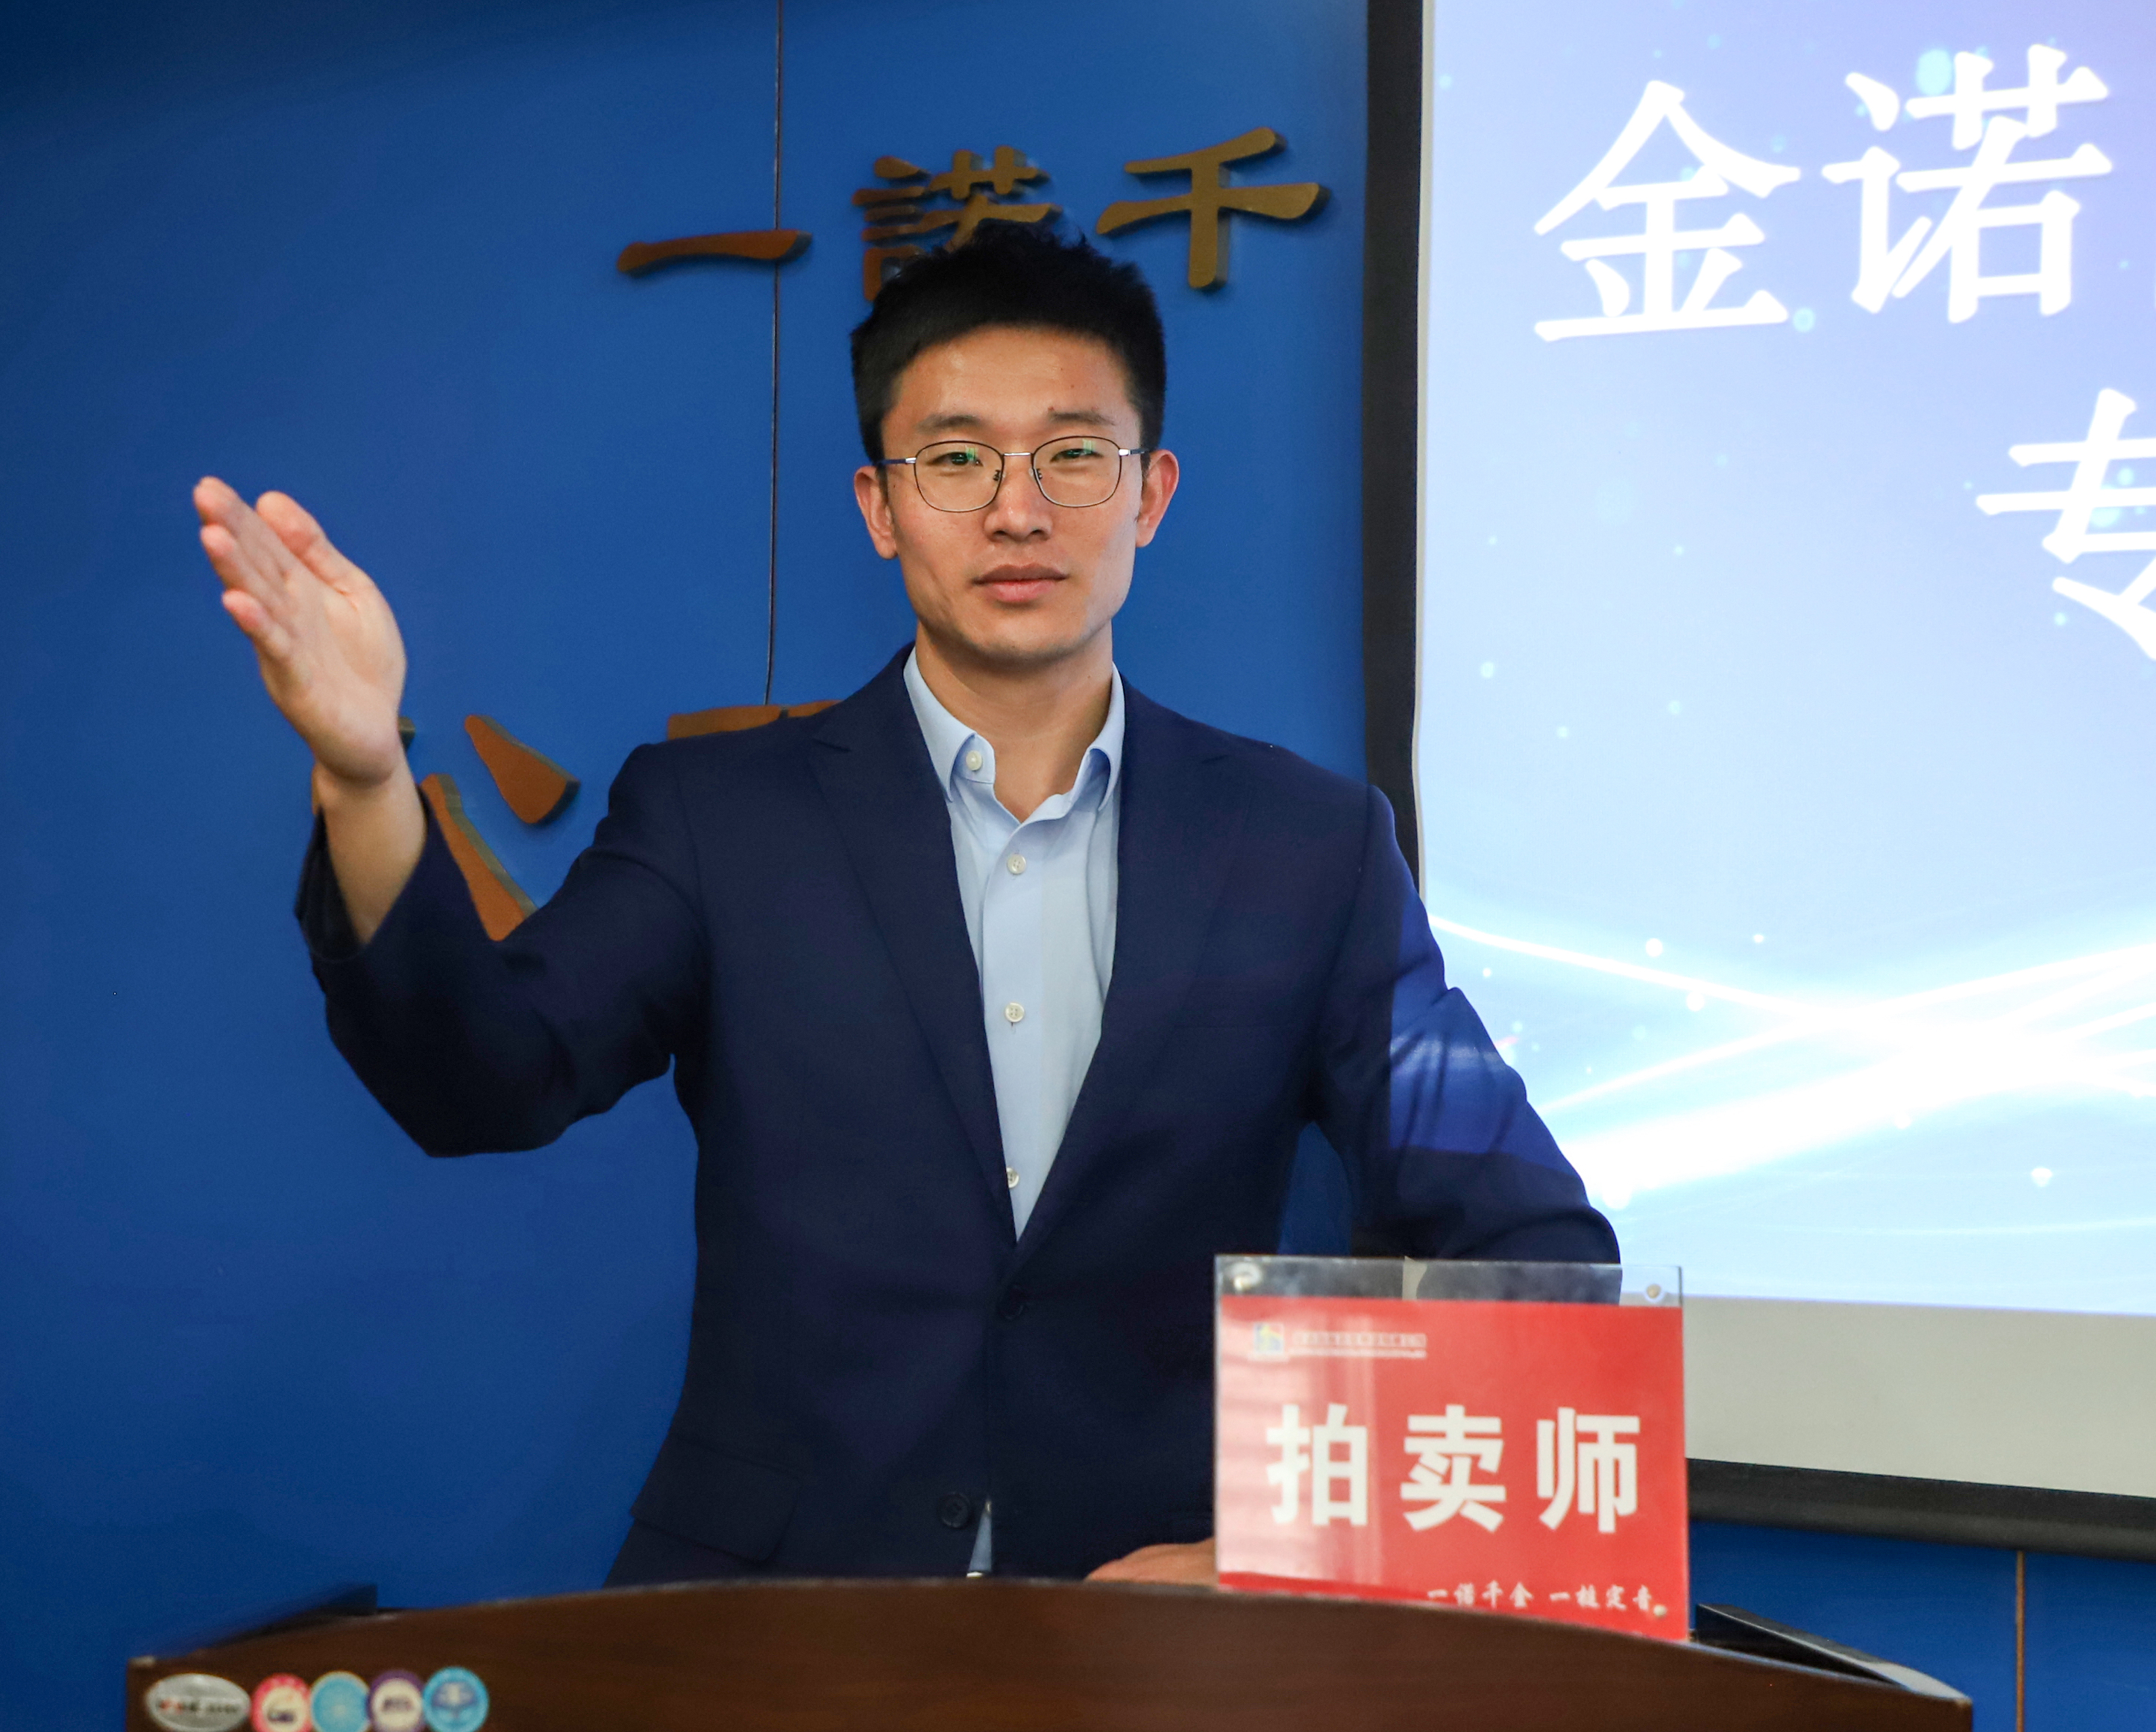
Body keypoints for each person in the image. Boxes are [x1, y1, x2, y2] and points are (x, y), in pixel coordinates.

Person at [192, 224, 1616, 1589]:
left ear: (1151, 494)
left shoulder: (1308, 848)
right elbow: (480, 1081)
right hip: (780, 1617)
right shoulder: (718, 818)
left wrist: (1281, 1551)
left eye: (1074, 455)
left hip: (1150, 1630)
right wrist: (366, 775)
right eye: (954, 458)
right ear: (879, 507)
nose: (1017, 509)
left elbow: (1536, 1254)